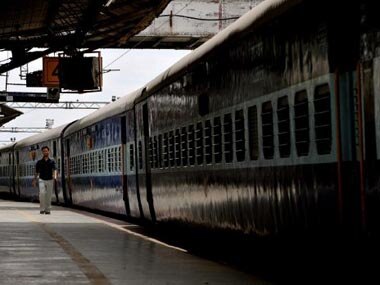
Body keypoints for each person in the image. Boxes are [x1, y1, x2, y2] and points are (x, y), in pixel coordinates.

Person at [32, 146, 57, 214]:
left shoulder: (52, 161)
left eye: (46, 151)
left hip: (50, 180)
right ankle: (42, 209)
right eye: (44, 151)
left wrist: (55, 176)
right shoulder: (39, 162)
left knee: (48, 195)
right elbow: (36, 172)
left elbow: (55, 169)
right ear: (42, 152)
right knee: (42, 194)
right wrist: (34, 180)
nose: (45, 152)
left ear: (48, 151)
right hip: (41, 179)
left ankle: (48, 210)